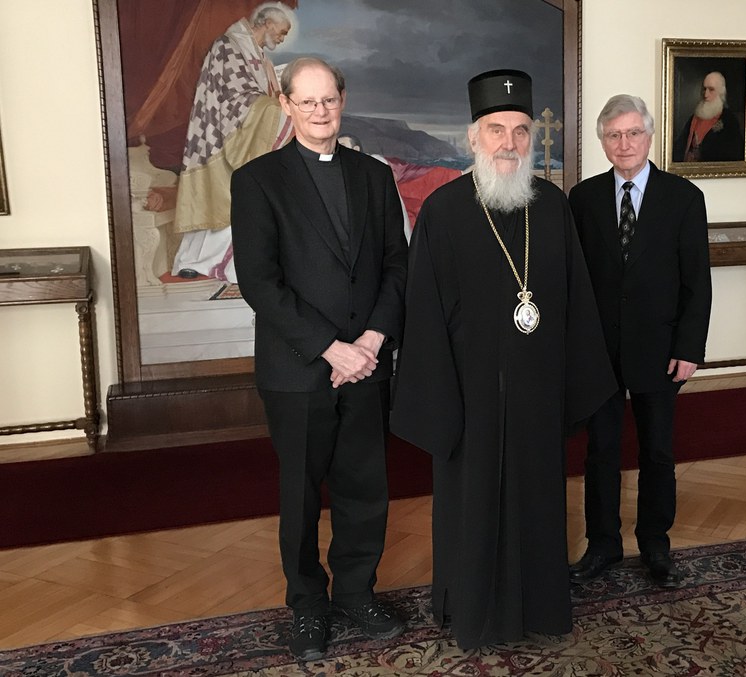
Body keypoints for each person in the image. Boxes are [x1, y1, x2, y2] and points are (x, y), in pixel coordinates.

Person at [391, 69, 616, 650]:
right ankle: (468, 608)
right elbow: (423, 315)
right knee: (471, 507)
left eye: (520, 131)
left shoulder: (552, 207)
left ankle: (540, 607)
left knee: (539, 503)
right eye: (497, 130)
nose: (510, 143)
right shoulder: (443, 211)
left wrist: (572, 387)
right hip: (469, 398)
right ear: (473, 138)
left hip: (538, 394)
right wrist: (441, 405)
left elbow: (575, 303)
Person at [230, 57, 408, 661]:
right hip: (298, 368)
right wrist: (333, 348)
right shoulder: (256, 181)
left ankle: (357, 591)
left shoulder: (374, 176)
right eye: (306, 102)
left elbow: (395, 266)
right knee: (302, 494)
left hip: (367, 362)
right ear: (285, 104)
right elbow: (260, 282)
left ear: (343, 98)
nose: (320, 111)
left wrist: (372, 342)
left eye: (328, 99)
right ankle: (308, 604)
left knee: (365, 487)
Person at [568, 94, 712, 589]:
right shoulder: (582, 199)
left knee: (657, 453)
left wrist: (690, 348)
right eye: (613, 135)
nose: (624, 143)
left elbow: (697, 281)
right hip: (599, 353)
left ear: (650, 137)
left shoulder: (683, 197)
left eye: (633, 133)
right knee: (600, 452)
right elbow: (575, 281)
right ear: (602, 142)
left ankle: (655, 543)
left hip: (661, 349)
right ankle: (603, 544)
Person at [172, 2, 295, 283]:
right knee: (218, 195)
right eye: (281, 32)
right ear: (266, 23)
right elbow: (235, 95)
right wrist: (274, 109)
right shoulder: (229, 45)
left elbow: (261, 91)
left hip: (244, 131)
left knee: (242, 198)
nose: (282, 38)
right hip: (222, 134)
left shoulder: (257, 53)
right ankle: (192, 260)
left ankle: (228, 264)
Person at [672, 71, 744, 162]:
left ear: (721, 92)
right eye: (704, 89)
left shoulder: (729, 120)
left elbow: (732, 154)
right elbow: (679, 146)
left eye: (711, 89)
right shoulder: (695, 117)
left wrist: (701, 156)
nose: (705, 95)